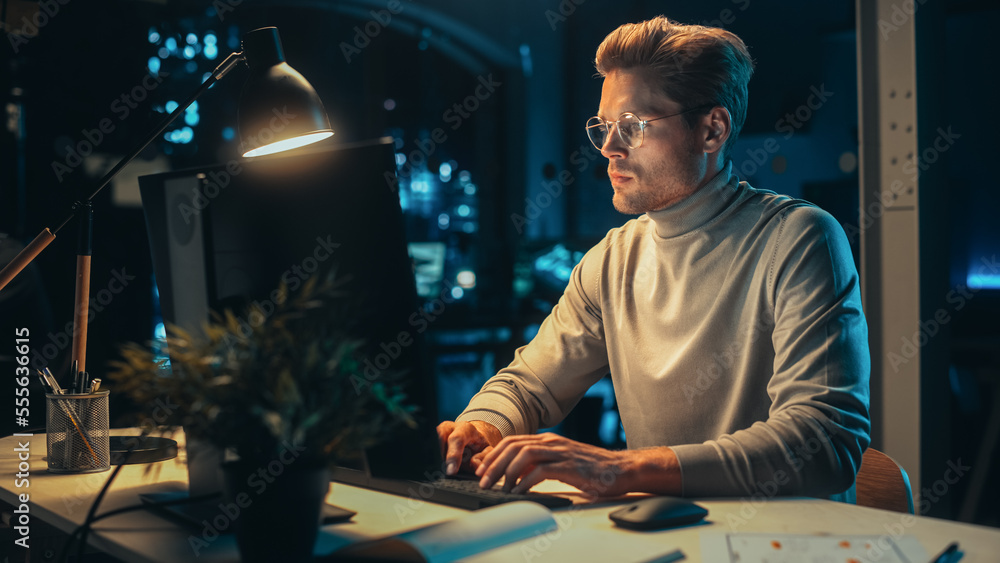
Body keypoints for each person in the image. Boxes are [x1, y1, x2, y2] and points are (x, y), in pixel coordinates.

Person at [437, 16, 870, 501]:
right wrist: (483, 425)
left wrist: (623, 469)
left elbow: (824, 441)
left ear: (712, 130)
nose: (608, 148)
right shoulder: (611, 261)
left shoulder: (799, 239)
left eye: (632, 127)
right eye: (603, 127)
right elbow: (529, 384)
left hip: (780, 545)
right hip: (660, 537)